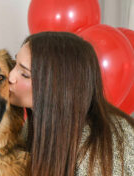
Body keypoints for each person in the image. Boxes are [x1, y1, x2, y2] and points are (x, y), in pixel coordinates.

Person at [9, 32, 134, 176]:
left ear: (56, 87)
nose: (10, 77)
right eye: (15, 64)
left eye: (24, 74)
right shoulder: (39, 120)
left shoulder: (98, 151)